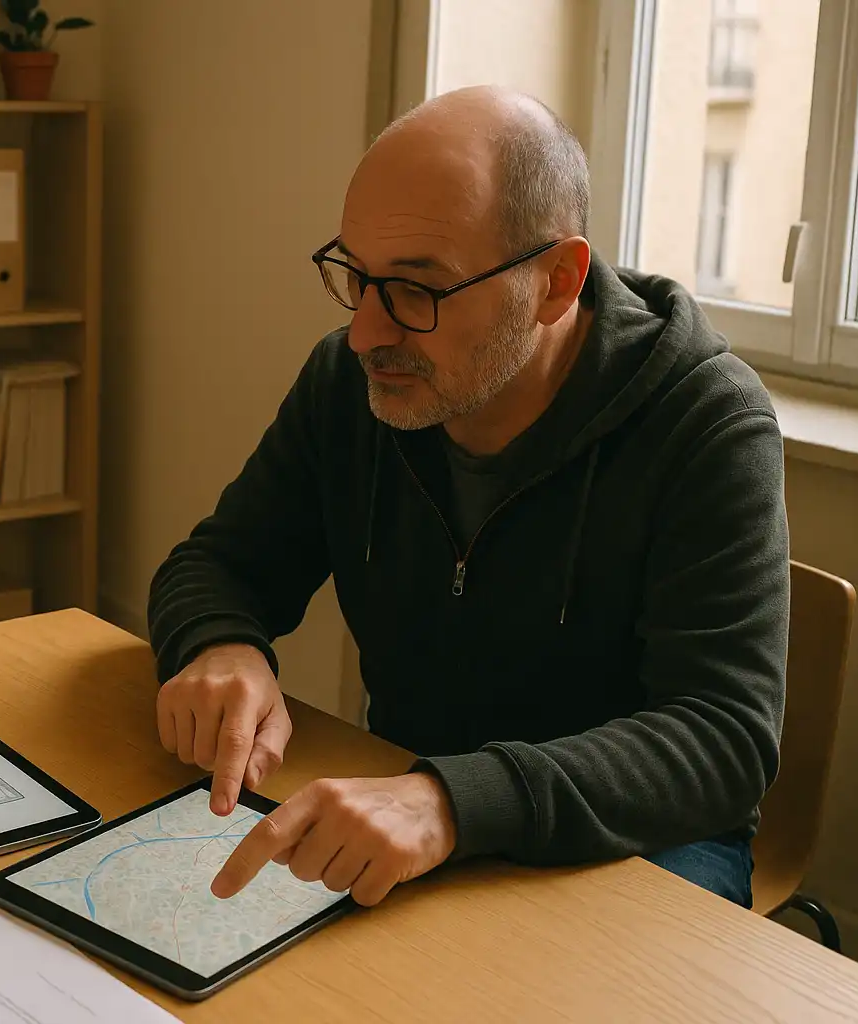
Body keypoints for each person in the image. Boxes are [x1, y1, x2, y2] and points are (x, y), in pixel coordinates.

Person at [147, 86, 788, 910]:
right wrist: (220, 646)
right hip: (410, 809)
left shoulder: (706, 421)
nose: (366, 334)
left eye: (418, 291)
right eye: (356, 274)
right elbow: (219, 563)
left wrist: (453, 801)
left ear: (557, 282)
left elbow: (721, 741)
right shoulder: (351, 386)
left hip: (641, 845)